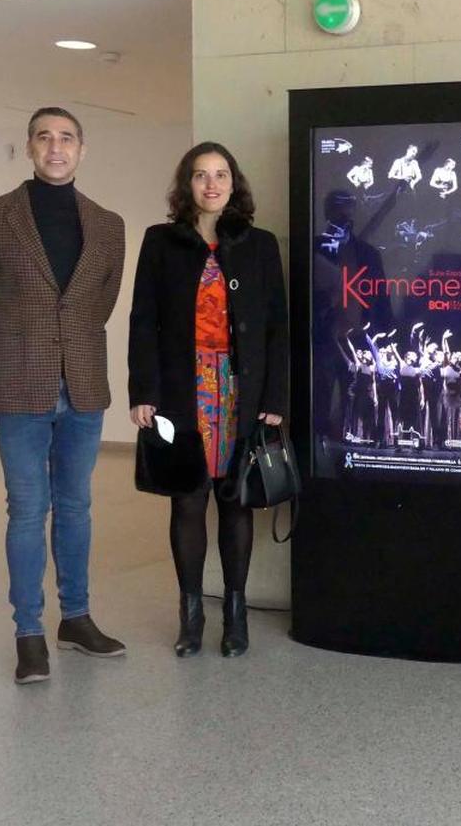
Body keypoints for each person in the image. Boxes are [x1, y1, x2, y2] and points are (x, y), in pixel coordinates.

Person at [0, 107, 126, 685]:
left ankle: (75, 619)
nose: (57, 147)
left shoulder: (108, 224)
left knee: (76, 506)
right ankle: (28, 631)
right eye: (45, 137)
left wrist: (62, 341)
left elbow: (98, 304)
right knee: (29, 510)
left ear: (83, 148)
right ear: (29, 147)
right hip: (16, 380)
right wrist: (24, 337)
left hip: (83, 384)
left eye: (67, 138)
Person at [128, 142, 288, 658]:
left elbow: (277, 328)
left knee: (237, 500)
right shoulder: (160, 242)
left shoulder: (259, 245)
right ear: (187, 185)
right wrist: (143, 393)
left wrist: (275, 396)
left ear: (233, 183)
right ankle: (191, 613)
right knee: (187, 500)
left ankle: (235, 614)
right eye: (200, 175)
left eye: (221, 175)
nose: (211, 185)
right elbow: (142, 322)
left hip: (241, 390)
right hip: (181, 389)